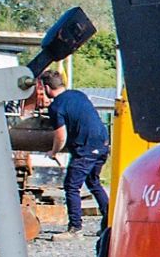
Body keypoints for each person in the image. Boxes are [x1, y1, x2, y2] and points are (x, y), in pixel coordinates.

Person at [40, 69, 110, 235]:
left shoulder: (56, 106)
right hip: (104, 143)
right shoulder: (78, 94)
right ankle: (110, 222)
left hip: (86, 148)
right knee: (93, 182)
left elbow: (61, 136)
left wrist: (54, 152)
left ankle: (75, 228)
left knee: (71, 186)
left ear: (48, 87)